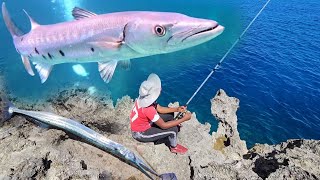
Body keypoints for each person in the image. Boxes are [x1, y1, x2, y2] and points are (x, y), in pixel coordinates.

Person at [130, 73, 192, 155]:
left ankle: (167, 129)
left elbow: (159, 108)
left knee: (170, 114)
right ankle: (174, 147)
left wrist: (177, 109)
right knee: (173, 130)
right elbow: (164, 126)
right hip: (140, 133)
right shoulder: (149, 109)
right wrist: (183, 119)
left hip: (146, 123)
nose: (160, 89)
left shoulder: (143, 99)